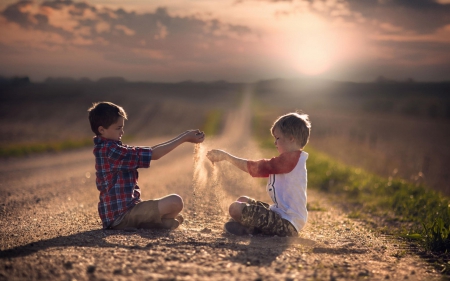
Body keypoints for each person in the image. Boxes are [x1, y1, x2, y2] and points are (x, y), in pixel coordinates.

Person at [87, 101, 205, 231]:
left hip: (127, 211)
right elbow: (154, 154)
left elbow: (151, 150)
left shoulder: (112, 147)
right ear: (101, 129)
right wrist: (184, 138)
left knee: (174, 207)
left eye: (122, 127)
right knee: (175, 202)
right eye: (118, 128)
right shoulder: (111, 151)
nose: (122, 132)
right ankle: (152, 223)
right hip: (120, 216)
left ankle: (154, 223)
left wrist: (185, 135)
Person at [206, 112, 310, 236]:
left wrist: (226, 157)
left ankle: (249, 229)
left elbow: (256, 168)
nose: (275, 143)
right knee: (242, 200)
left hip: (288, 223)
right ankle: (251, 227)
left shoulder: (291, 160)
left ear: (291, 138)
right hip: (279, 214)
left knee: (235, 208)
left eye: (278, 138)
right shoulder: (291, 159)